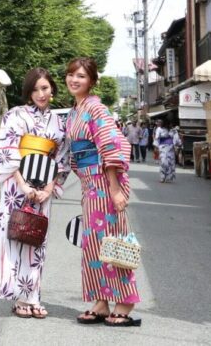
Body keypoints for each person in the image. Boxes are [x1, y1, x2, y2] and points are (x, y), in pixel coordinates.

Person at [64, 57, 142, 327]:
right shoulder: (75, 111)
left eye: (82, 76)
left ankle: (125, 300)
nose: (75, 80)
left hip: (105, 184)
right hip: (89, 185)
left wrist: (115, 187)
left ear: (92, 81)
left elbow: (110, 146)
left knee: (115, 242)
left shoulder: (96, 109)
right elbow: (74, 153)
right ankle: (100, 300)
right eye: (71, 75)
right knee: (93, 245)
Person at [0, 68, 70, 319]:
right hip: (16, 186)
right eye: (35, 89)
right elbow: (8, 149)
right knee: (14, 237)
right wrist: (23, 185)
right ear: (28, 92)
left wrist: (48, 189)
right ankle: (17, 297)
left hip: (43, 187)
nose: (40, 94)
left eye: (45, 88)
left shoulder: (59, 123)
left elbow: (62, 158)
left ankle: (33, 295)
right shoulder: (15, 115)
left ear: (52, 89)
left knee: (36, 239)